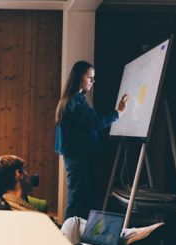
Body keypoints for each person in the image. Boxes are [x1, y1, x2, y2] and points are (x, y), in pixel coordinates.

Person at [0, 155, 164, 245]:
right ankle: (126, 236)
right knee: (74, 222)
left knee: (76, 224)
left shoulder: (13, 201)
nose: (28, 175)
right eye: (25, 171)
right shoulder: (13, 212)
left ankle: (124, 235)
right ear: (18, 174)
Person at [55, 60, 129, 219]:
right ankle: (68, 240)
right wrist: (118, 113)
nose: (92, 82)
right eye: (90, 77)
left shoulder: (73, 99)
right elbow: (94, 122)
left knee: (77, 200)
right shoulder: (75, 101)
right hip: (79, 159)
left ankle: (72, 237)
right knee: (76, 202)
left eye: (93, 78)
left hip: (77, 158)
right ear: (79, 76)